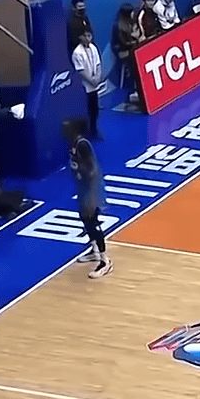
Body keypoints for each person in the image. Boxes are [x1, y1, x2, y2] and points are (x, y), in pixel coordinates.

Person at [67, 118, 111, 279]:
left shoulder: (83, 144)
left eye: (68, 127)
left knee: (92, 222)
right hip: (83, 188)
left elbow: (91, 169)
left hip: (91, 189)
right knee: (85, 219)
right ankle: (95, 251)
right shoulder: (73, 143)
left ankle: (105, 261)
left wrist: (90, 192)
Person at [72, 30, 103, 140]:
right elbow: (80, 71)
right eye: (84, 36)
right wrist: (91, 80)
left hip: (94, 85)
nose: (87, 38)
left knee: (95, 110)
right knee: (86, 110)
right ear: (80, 37)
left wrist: (97, 78)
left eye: (89, 35)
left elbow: (98, 64)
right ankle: (85, 132)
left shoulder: (93, 48)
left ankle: (94, 130)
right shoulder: (77, 52)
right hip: (84, 86)